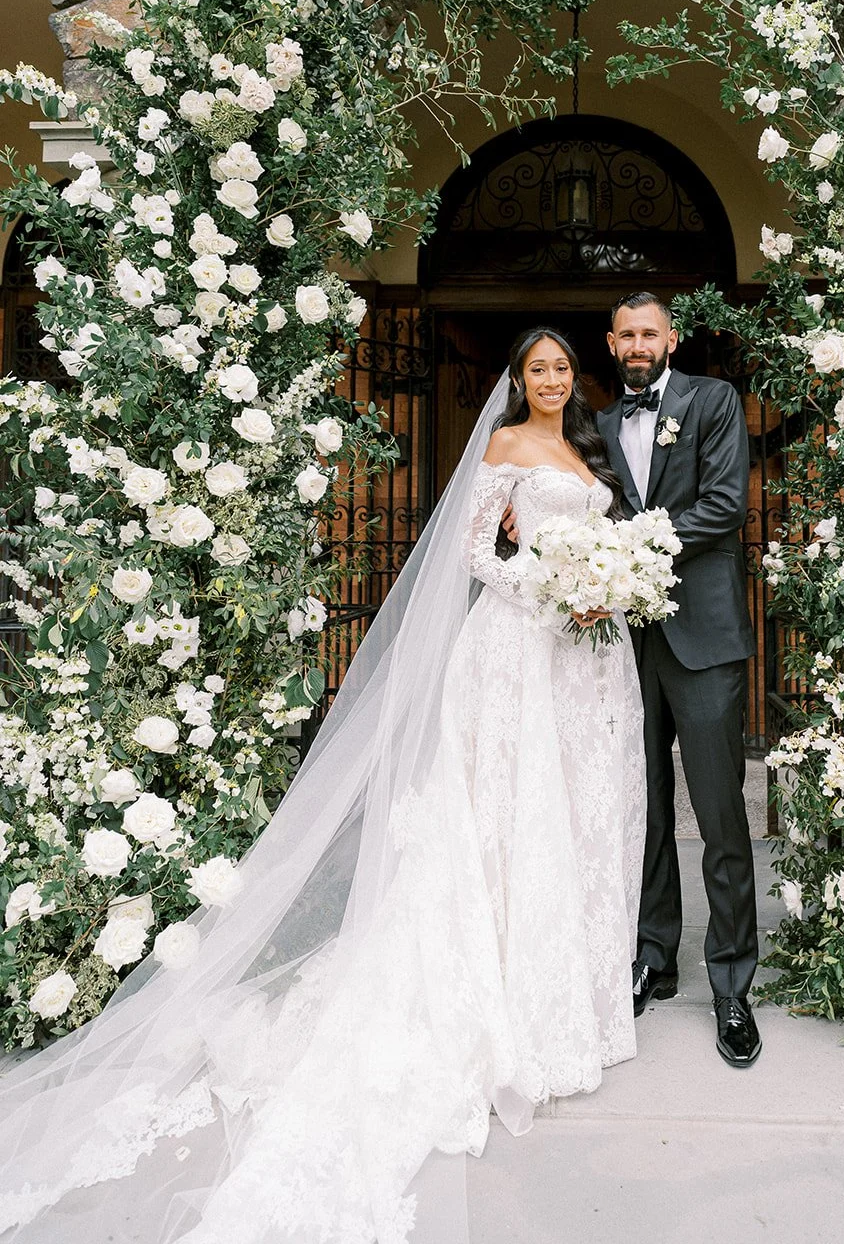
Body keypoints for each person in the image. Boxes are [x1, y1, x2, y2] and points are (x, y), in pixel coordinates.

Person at [0, 329, 646, 1243]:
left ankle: (564, 979)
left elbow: (602, 538)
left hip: (583, 657)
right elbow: (472, 554)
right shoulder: (503, 447)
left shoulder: (585, 449)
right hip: (514, 648)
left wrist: (604, 586)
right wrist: (547, 591)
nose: (551, 382)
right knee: (505, 806)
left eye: (561, 370)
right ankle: (494, 977)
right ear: (515, 382)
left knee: (575, 809)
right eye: (536, 370)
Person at [597, 291, 761, 1068]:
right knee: (645, 809)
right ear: (611, 343)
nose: (637, 344)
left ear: (671, 337)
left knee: (721, 813)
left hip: (704, 638)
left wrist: (628, 550)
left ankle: (731, 983)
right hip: (624, 643)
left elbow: (724, 507)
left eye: (648, 333)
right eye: (625, 334)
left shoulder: (712, 401)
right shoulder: (595, 425)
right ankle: (651, 957)